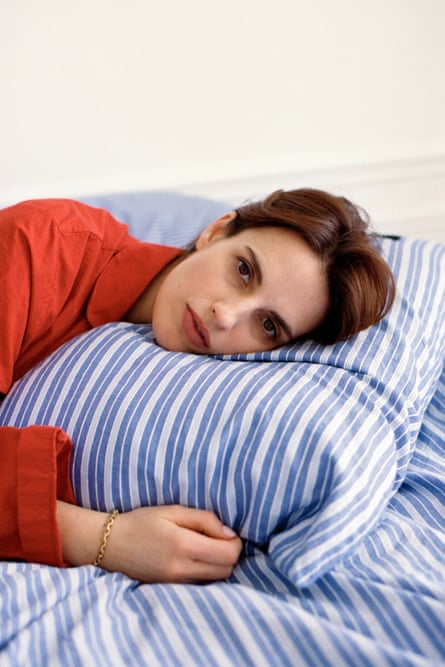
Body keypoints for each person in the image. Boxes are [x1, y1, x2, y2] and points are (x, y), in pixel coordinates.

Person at [0, 188, 395, 583]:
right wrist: (102, 537)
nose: (225, 316)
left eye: (268, 325)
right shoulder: (41, 244)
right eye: (243, 270)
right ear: (216, 232)